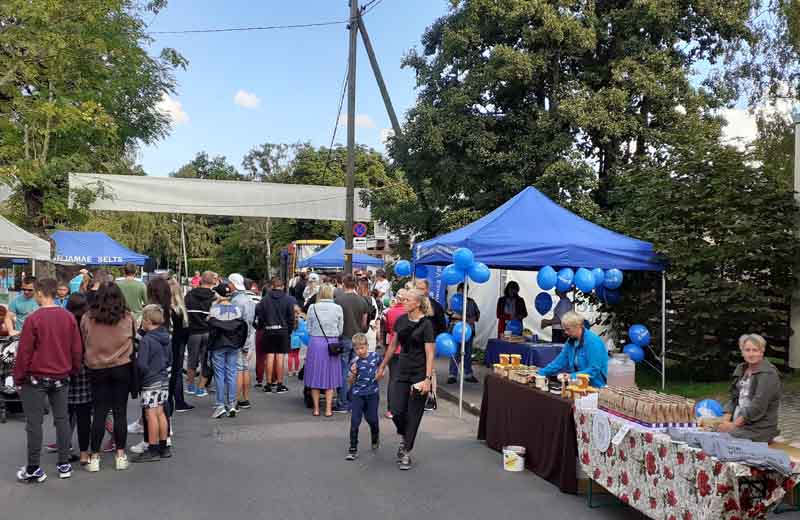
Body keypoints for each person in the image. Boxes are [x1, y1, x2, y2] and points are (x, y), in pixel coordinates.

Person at [13, 278, 82, 483]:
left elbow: (24, 352)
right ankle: (64, 463)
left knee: (34, 422)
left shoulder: (33, 319)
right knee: (62, 420)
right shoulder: (68, 317)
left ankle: (34, 467)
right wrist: (73, 370)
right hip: (62, 375)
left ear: (41, 293)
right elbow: (76, 349)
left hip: (36, 377)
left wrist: (18, 377)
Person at [376, 288, 435, 471]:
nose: (403, 302)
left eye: (407, 299)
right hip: (401, 369)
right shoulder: (401, 320)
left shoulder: (427, 325)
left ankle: (407, 451)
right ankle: (404, 434)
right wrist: (382, 365)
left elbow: (430, 353)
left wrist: (428, 379)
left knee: (414, 413)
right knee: (396, 409)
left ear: (417, 303)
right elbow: (393, 345)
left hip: (419, 372)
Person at [81, 282, 135, 472]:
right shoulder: (127, 317)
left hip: (96, 368)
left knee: (100, 412)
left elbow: (83, 340)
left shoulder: (88, 318)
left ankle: (94, 457)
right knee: (120, 412)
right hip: (122, 366)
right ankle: (120, 455)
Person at [717, 334, 781, 442]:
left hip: (759, 429)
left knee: (723, 438)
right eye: (747, 350)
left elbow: (758, 406)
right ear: (742, 352)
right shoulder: (742, 369)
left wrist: (733, 425)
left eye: (755, 350)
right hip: (741, 424)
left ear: (762, 351)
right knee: (714, 430)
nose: (751, 354)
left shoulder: (769, 374)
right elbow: (733, 397)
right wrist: (725, 422)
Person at [130, 305, 172, 462]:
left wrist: (140, 376)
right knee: (161, 413)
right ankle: (164, 446)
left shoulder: (147, 340)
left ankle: (152, 448)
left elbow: (142, 364)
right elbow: (170, 359)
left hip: (150, 380)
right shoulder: (166, 337)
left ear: (147, 321)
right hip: (163, 378)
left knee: (150, 415)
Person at [207, 285, 248, 419]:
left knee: (219, 375)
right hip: (233, 344)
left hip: (218, 344)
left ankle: (220, 405)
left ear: (218, 295)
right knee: (232, 372)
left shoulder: (214, 310)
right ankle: (232, 404)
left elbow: (211, 327)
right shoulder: (236, 308)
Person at [537, 311, 607, 387]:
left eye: (568, 329)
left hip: (597, 386)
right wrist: (540, 373)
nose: (566, 332)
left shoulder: (593, 342)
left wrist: (571, 376)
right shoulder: (570, 341)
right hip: (579, 385)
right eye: (564, 329)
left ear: (578, 326)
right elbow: (558, 362)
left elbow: (594, 369)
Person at [304, 284, 343, 417]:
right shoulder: (338, 308)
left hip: (315, 343)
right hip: (331, 343)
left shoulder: (312, 307)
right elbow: (340, 329)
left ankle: (315, 409)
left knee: (315, 375)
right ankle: (328, 409)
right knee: (330, 377)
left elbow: (308, 328)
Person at [334, 275, 370, 413]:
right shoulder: (362, 301)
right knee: (356, 371)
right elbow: (364, 323)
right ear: (355, 285)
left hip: (343, 338)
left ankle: (343, 403)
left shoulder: (338, 300)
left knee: (343, 371)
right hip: (358, 340)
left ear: (343, 284)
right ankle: (355, 401)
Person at [253, 277, 295, 394]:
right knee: (280, 357)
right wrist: (289, 330)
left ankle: (268, 383)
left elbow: (260, 316)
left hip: (269, 330)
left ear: (272, 286)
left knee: (270, 357)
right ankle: (280, 384)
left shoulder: (265, 300)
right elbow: (291, 317)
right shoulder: (288, 299)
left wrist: (261, 327)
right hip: (283, 330)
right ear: (282, 286)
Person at [65, 293, 92, 467]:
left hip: (65, 370)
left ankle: (65, 450)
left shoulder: (65, 322)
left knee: (65, 416)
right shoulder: (88, 324)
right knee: (84, 416)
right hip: (85, 369)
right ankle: (83, 454)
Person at [345, 333, 380, 461]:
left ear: (367, 346)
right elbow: (350, 382)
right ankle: (353, 448)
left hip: (372, 393)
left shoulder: (375, 356)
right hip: (357, 394)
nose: (360, 351)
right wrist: (353, 373)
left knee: (372, 419)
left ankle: (375, 435)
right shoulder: (354, 362)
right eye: (357, 349)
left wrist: (380, 374)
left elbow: (383, 367)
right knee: (355, 421)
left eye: (362, 348)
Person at [184, 271, 218, 397]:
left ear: (200, 280)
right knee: (207, 361)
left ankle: (190, 386)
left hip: (193, 332)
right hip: (209, 331)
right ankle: (201, 388)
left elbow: (185, 313)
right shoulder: (215, 297)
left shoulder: (189, 295)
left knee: (192, 360)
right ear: (213, 281)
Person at [229, 273, 255, 409]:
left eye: (229, 283)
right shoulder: (249, 299)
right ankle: (245, 398)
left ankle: (235, 399)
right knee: (245, 368)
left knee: (238, 368)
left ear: (233, 284)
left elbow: (233, 321)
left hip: (238, 338)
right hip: (248, 336)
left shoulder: (236, 301)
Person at [168, 278, 193, 413]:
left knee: (170, 373)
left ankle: (170, 400)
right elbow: (186, 330)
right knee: (177, 372)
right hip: (180, 343)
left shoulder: (166, 310)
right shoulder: (182, 310)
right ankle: (179, 400)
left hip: (170, 343)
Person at [447, 283, 480, 384]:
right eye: (463, 289)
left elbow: (477, 315)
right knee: (456, 352)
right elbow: (449, 314)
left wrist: (469, 318)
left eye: (466, 289)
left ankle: (468, 374)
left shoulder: (471, 302)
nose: (464, 291)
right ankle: (452, 375)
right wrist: (463, 317)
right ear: (459, 289)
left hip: (468, 331)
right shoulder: (453, 300)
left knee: (468, 353)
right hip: (456, 330)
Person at [383, 289, 407, 419]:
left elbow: (387, 330)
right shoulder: (408, 313)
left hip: (393, 349)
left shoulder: (390, 312)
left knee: (393, 380)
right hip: (406, 350)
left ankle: (391, 409)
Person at [288, 305, 305, 377]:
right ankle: (296, 370)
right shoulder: (301, 321)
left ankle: (290, 371)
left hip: (290, 340)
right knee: (296, 356)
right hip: (298, 340)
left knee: (290, 356)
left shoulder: (288, 320)